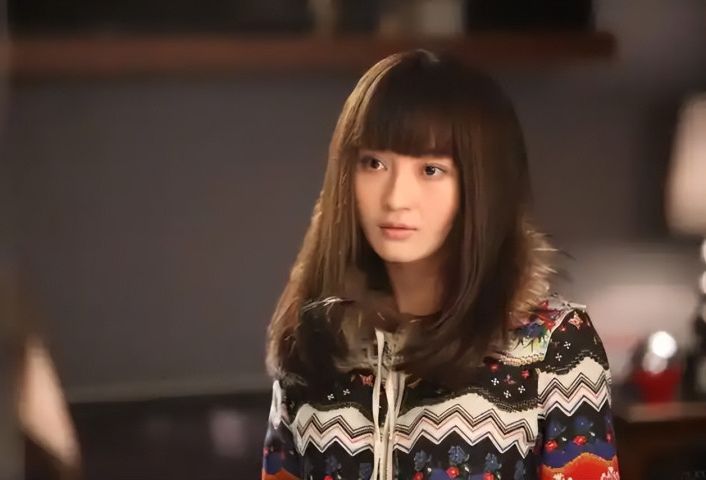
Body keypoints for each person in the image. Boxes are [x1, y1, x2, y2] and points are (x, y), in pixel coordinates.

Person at [261, 50, 619, 480]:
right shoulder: (313, 343)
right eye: (374, 164)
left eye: (431, 170)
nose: (396, 198)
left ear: (480, 187)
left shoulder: (555, 346)